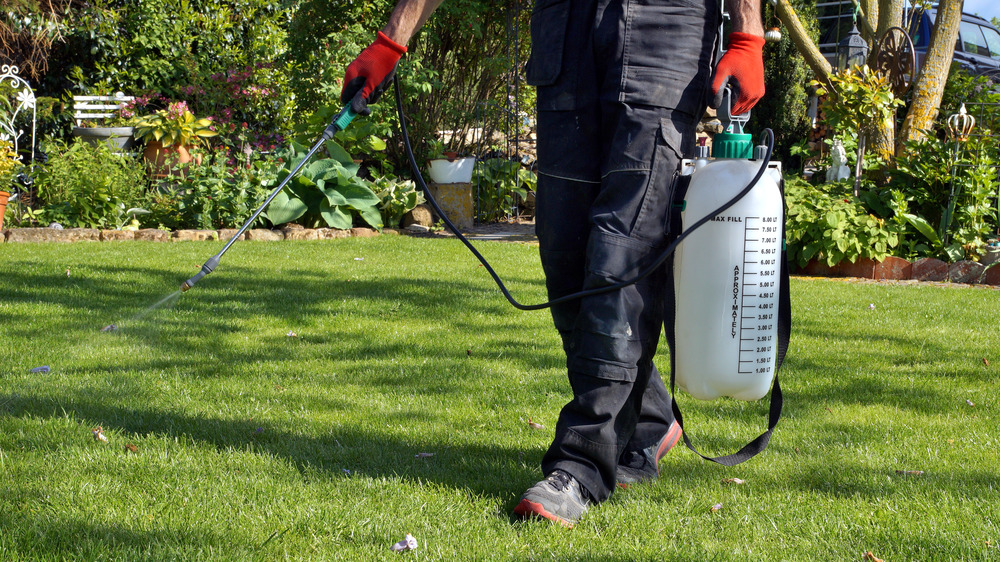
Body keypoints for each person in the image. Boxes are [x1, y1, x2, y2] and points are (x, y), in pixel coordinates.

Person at [341, 0, 765, 528]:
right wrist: (391, 41)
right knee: (563, 255)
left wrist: (749, 34)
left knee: (620, 252)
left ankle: (581, 463)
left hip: (665, 31)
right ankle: (651, 418)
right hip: (566, 35)